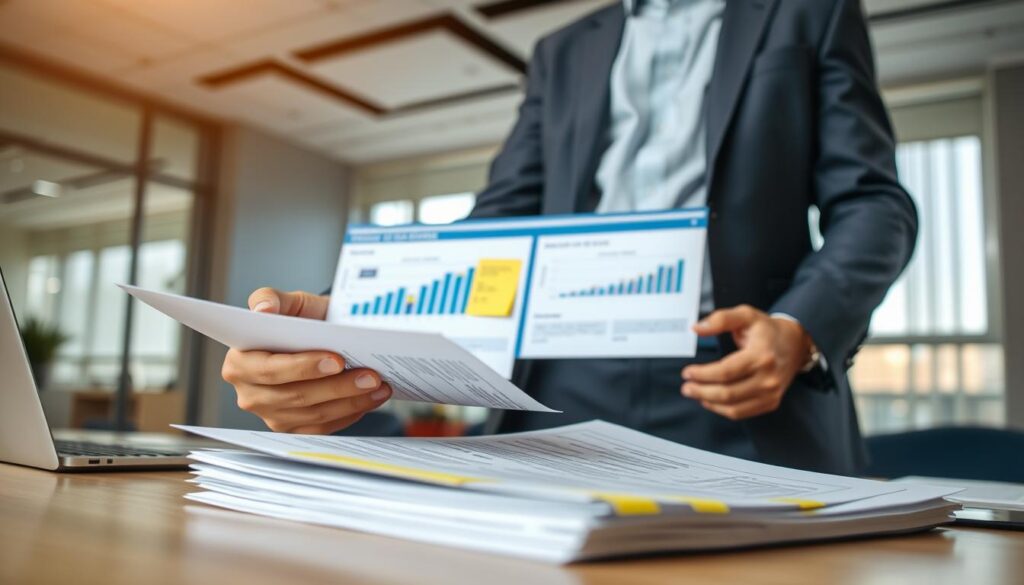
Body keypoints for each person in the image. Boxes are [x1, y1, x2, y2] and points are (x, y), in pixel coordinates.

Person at [221, 0, 917, 474]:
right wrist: (337, 327)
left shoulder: (810, 11)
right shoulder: (561, 51)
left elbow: (874, 202)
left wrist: (799, 326)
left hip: (735, 373)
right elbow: (499, 221)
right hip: (564, 378)